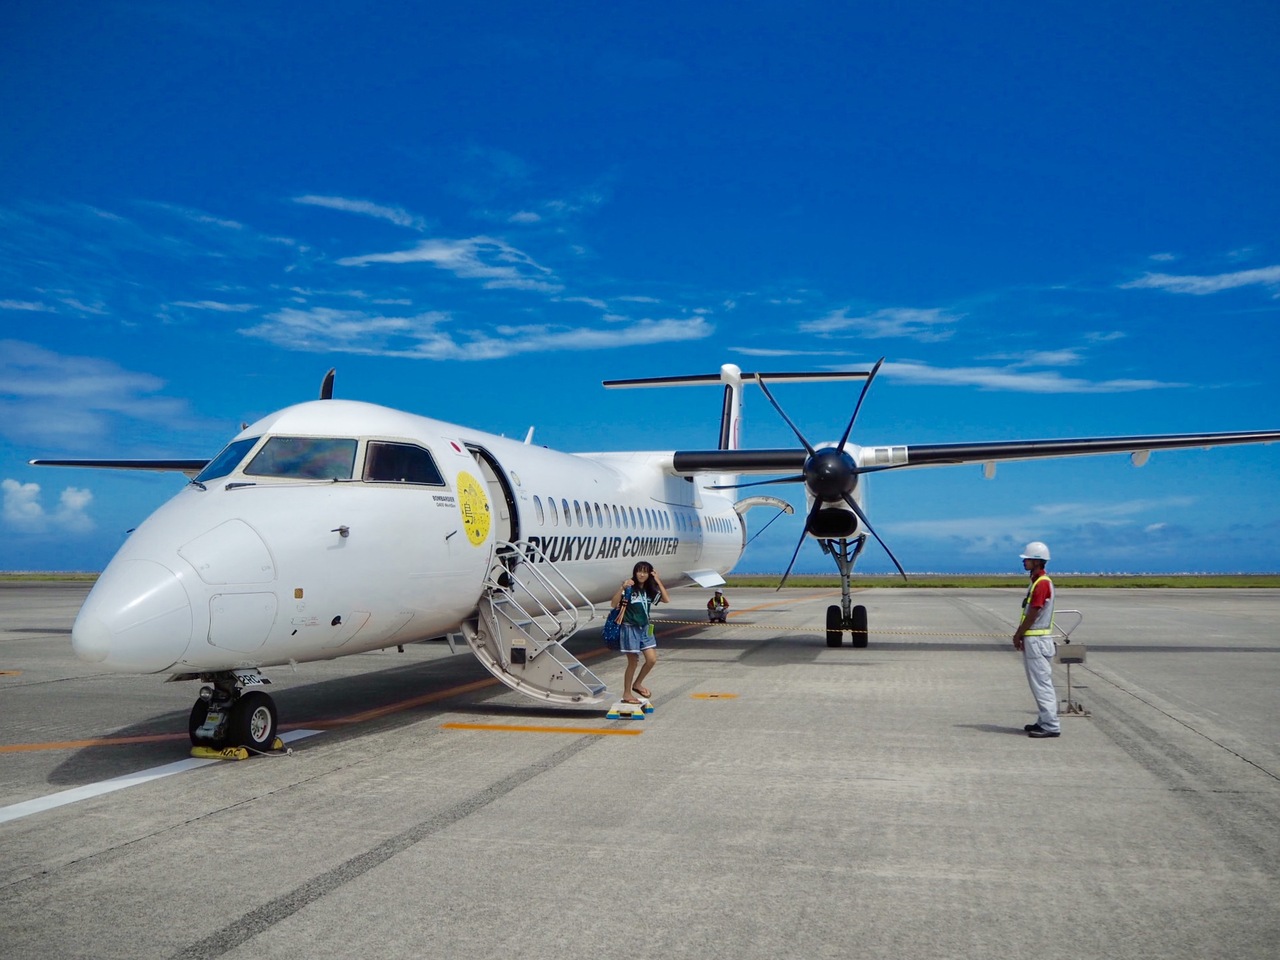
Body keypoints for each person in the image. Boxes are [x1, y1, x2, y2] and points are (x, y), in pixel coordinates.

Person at [1013, 540, 1060, 738]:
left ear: (1038, 561)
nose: (1024, 562)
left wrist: (1019, 634)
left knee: (1041, 683)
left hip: (1037, 640)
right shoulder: (1038, 581)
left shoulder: (1041, 584)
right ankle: (1043, 720)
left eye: (1028, 559)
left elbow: (1033, 612)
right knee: (1038, 682)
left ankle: (1051, 724)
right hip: (1038, 640)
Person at [611, 561, 670, 704]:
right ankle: (626, 693)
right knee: (633, 661)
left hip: (645, 628)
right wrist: (622, 588)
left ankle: (637, 684)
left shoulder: (649, 591)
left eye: (645, 571)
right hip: (630, 627)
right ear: (635, 572)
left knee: (651, 659)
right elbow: (613, 604)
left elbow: (666, 599)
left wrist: (657, 581)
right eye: (639, 571)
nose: (642, 574)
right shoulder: (630, 588)